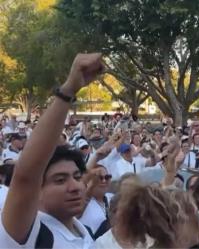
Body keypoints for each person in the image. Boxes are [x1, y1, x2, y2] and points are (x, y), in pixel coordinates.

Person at [0, 52, 103, 248]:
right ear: (36, 190)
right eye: (60, 180)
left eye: (77, 176)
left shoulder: (84, 231)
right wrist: (69, 90)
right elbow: (26, 175)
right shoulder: (26, 234)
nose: (75, 186)